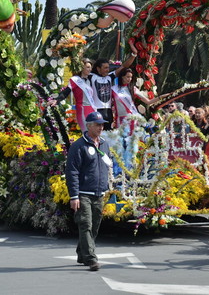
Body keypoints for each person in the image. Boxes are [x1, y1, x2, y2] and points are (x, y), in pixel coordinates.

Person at [65, 112, 112, 271]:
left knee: (95, 227)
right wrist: (74, 196)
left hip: (99, 193)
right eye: (97, 124)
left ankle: (82, 253)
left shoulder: (104, 144)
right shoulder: (79, 145)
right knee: (85, 224)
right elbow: (72, 172)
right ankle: (91, 258)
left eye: (102, 124)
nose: (101, 127)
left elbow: (107, 165)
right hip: (83, 193)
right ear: (89, 125)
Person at [89, 53, 137, 130]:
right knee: (97, 134)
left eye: (108, 68)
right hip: (97, 110)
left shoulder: (110, 77)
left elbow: (124, 66)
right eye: (105, 68)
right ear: (98, 69)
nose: (108, 70)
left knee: (108, 135)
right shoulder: (91, 77)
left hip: (108, 112)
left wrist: (133, 55)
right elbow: (82, 70)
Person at [52, 58, 96, 132]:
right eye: (88, 67)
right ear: (81, 68)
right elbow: (66, 91)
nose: (90, 69)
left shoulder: (90, 80)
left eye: (90, 67)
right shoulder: (75, 80)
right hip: (82, 109)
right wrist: (57, 100)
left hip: (92, 109)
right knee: (86, 133)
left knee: (93, 133)